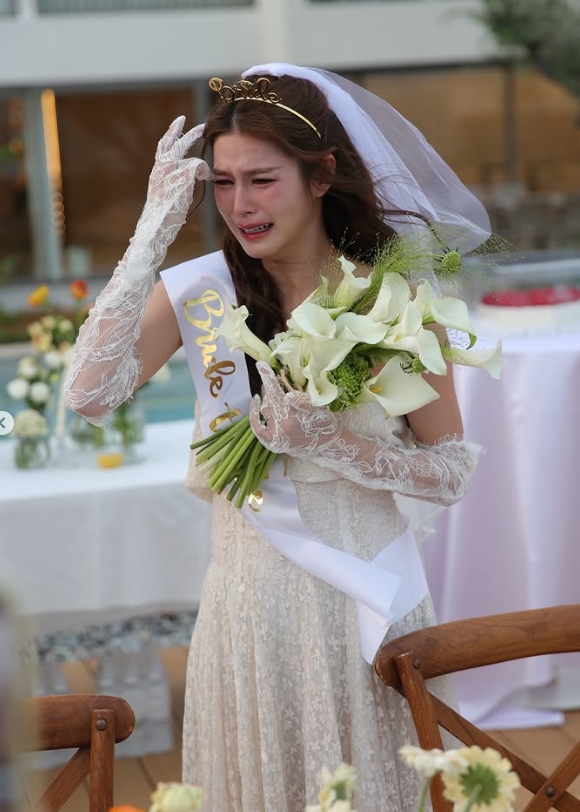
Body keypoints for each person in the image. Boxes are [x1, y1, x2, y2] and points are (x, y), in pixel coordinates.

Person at [64, 63, 490, 812]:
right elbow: (89, 395)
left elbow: (451, 471)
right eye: (224, 184)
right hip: (249, 612)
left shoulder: (390, 298)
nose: (240, 205)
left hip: (369, 604)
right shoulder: (200, 292)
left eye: (262, 180)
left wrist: (337, 444)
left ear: (322, 175)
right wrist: (151, 233)